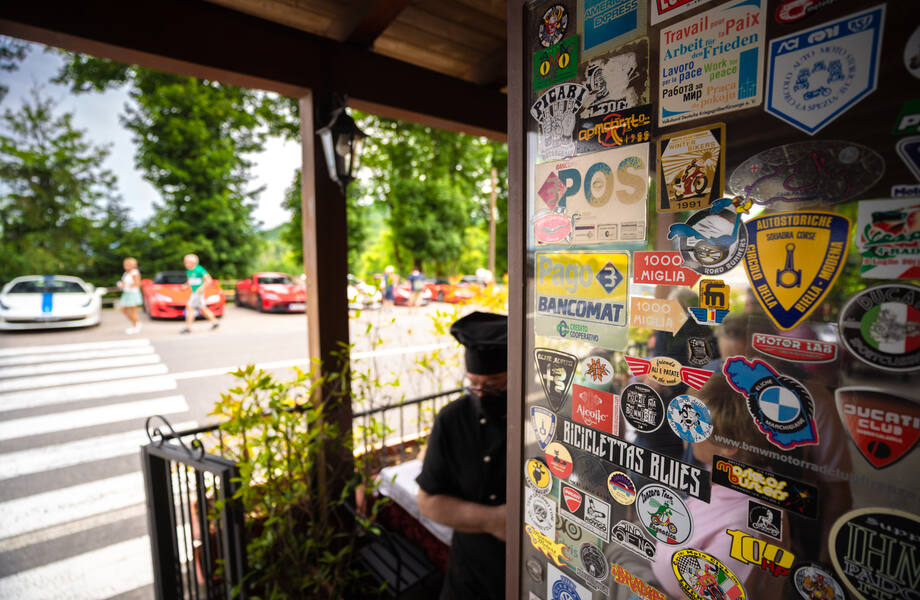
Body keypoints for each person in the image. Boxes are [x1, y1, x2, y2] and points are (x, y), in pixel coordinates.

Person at [417, 311, 508, 600]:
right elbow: (428, 501)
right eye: (473, 385)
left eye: (494, 385)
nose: (481, 394)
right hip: (468, 575)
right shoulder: (451, 419)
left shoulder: (541, 417)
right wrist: (493, 520)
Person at [181, 254, 219, 334]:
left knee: (190, 307)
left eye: (186, 262)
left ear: (192, 262)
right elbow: (190, 280)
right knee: (203, 308)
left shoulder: (199, 269)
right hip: (194, 292)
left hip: (198, 293)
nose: (185, 264)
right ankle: (215, 322)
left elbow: (209, 280)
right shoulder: (188, 270)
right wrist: (185, 285)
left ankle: (188, 328)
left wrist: (200, 289)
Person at [117, 257, 143, 334]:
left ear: (132, 265)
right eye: (125, 265)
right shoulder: (126, 273)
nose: (125, 266)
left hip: (132, 293)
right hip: (126, 293)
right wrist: (121, 284)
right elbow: (124, 282)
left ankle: (135, 326)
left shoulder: (134, 272)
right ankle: (136, 323)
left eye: (127, 265)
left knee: (133, 311)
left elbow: (138, 284)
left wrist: (125, 284)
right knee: (123, 309)